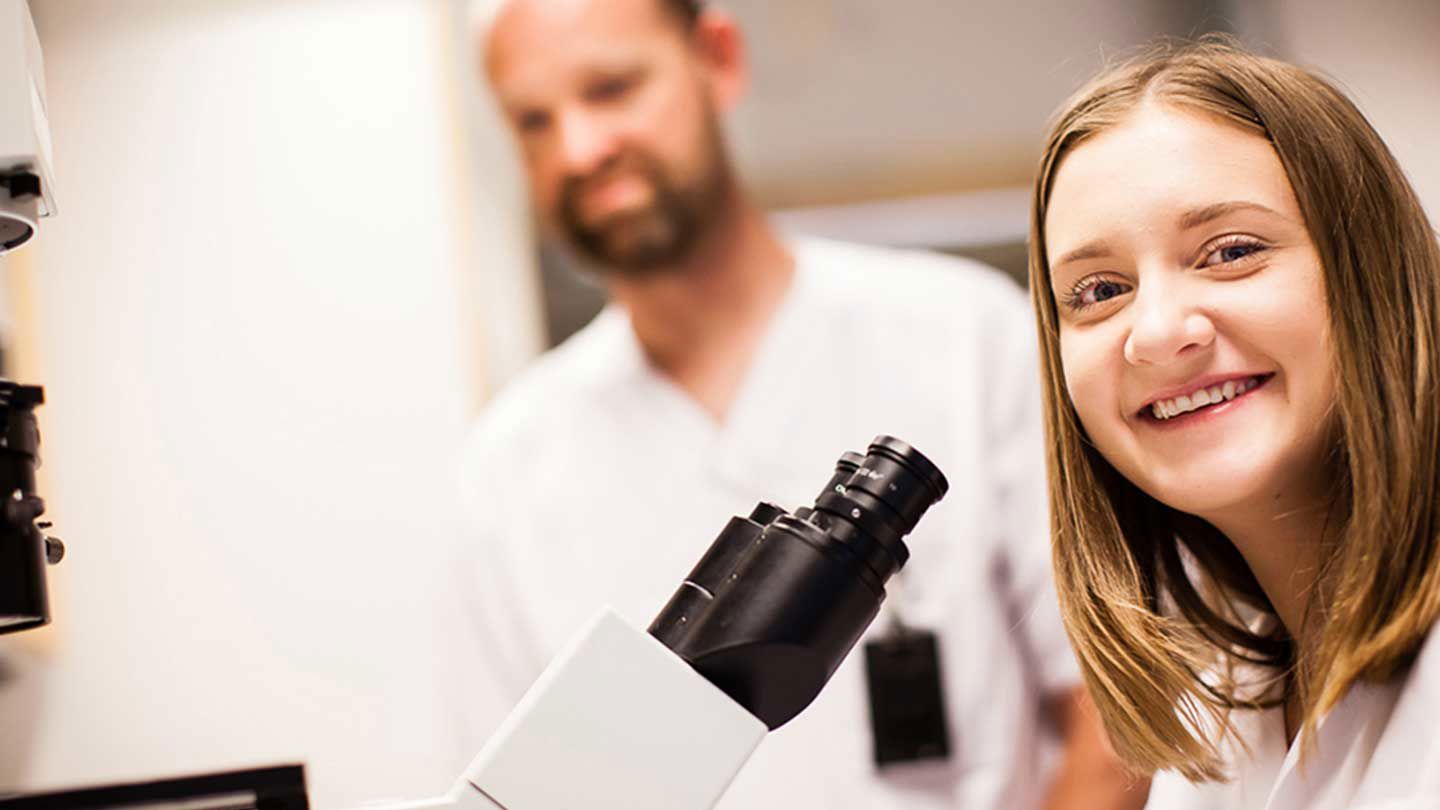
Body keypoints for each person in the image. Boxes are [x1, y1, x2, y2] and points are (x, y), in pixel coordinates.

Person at [453, 0, 1146, 808]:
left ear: (718, 57)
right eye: (533, 121)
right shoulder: (508, 469)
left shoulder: (968, 339)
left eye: (612, 89)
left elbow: (1118, 713)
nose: (579, 149)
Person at [1029, 36, 1440, 810]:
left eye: (1230, 252)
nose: (1157, 332)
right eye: (1099, 291)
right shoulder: (1222, 716)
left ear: (1370, 269)